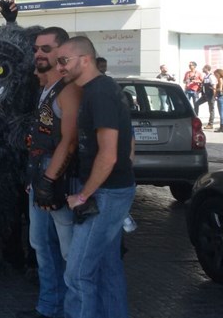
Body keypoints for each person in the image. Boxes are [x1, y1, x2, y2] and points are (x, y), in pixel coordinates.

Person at [55, 36, 135, 318]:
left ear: (85, 59)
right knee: (107, 268)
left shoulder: (100, 92)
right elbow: (129, 143)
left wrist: (83, 195)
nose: (59, 67)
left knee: (77, 274)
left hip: (105, 194)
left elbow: (108, 155)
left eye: (64, 61)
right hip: (112, 190)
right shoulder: (100, 89)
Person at [17, 27, 80, 318]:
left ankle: (73, 310)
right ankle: (49, 307)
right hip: (39, 176)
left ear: (62, 52)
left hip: (58, 178)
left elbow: (70, 141)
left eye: (46, 48)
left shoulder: (68, 89)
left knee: (68, 250)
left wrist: (49, 179)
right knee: (40, 244)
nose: (38, 54)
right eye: (36, 49)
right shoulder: (46, 88)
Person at [196, 65, 216, 129]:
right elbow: (203, 85)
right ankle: (195, 117)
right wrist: (199, 91)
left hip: (210, 95)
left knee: (211, 109)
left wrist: (214, 96)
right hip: (205, 95)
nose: (202, 69)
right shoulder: (205, 76)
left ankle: (210, 124)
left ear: (207, 69)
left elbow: (214, 87)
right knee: (196, 103)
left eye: (203, 68)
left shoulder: (211, 76)